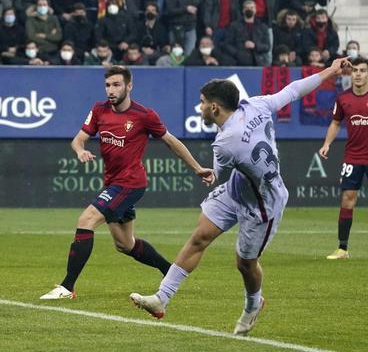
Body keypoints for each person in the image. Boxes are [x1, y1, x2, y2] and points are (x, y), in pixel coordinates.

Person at [130, 58, 349, 335]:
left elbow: (217, 173)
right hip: (239, 187)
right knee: (200, 235)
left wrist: (208, 175)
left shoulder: (225, 143)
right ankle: (162, 298)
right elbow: (293, 90)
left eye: (201, 103)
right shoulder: (255, 104)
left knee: (245, 264)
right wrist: (330, 70)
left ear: (214, 107)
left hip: (263, 203)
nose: (199, 108)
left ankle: (253, 304)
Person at [40, 65, 212, 300]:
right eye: (108, 85)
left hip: (130, 183)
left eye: (116, 85)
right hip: (112, 183)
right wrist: (80, 151)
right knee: (125, 244)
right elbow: (78, 140)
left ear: (129, 86)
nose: (111, 90)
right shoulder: (99, 110)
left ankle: (67, 287)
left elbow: (171, 142)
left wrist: (197, 168)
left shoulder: (144, 115)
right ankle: (169, 271)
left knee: (86, 219)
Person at [318, 57, 368, 260]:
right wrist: (327, 143)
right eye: (355, 70)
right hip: (353, 156)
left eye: (363, 70)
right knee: (347, 200)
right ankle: (342, 249)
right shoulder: (343, 98)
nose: (358, 74)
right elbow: (336, 123)